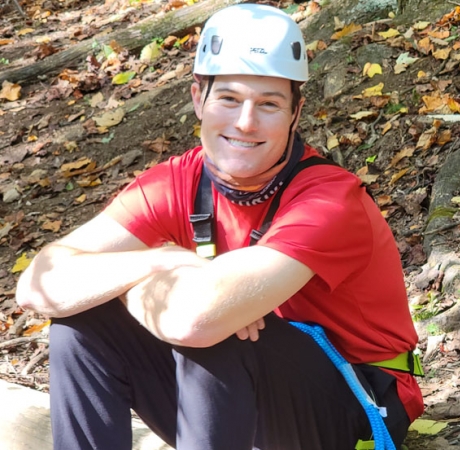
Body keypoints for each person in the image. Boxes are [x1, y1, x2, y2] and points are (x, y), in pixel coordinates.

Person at [15, 4, 424, 449]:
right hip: (239, 392)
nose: (245, 122)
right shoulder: (178, 181)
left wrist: (174, 289)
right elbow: (38, 286)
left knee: (215, 331)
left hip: (359, 405)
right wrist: (161, 261)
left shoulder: (329, 199)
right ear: (198, 99)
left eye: (268, 104)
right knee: (80, 324)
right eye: (229, 98)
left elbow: (196, 320)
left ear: (295, 113)